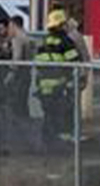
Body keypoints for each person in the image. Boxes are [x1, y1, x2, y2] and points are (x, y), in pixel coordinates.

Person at [33, 9, 85, 145]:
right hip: (60, 87)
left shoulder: (44, 42)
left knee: (48, 115)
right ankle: (63, 144)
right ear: (61, 25)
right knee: (61, 116)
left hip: (45, 87)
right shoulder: (66, 42)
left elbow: (38, 65)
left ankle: (47, 142)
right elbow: (74, 63)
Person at [0, 14, 34, 138]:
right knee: (23, 105)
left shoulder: (17, 39)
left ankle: (19, 136)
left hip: (19, 77)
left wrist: (10, 75)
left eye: (9, 27)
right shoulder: (28, 38)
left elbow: (17, 58)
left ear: (13, 25)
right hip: (27, 75)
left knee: (16, 106)